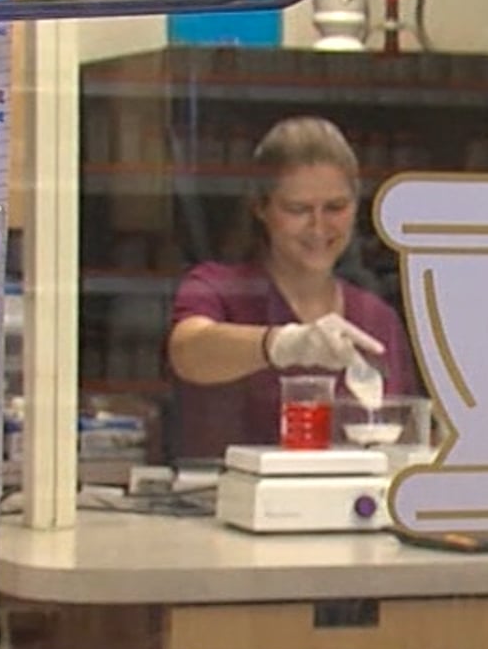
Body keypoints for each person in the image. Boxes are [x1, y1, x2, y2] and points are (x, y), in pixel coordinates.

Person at [165, 116, 421, 461]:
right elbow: (188, 350)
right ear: (261, 207)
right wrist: (283, 344)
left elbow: (405, 435)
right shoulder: (219, 289)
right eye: (298, 209)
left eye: (335, 207)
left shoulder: (376, 319)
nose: (319, 226)